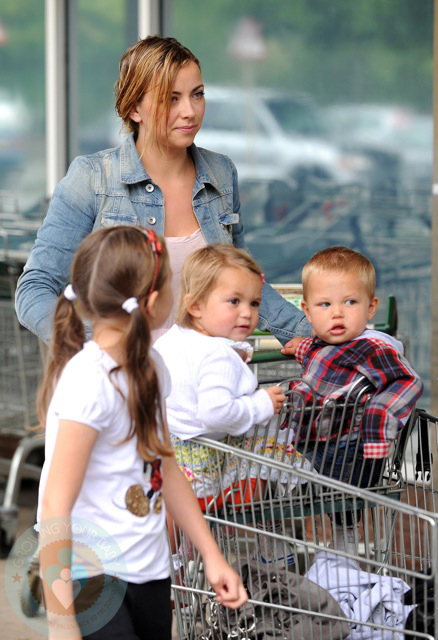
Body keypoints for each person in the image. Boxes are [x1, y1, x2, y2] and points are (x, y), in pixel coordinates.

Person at [15, 35, 311, 347]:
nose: (190, 112)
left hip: (208, 381)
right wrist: (96, 349)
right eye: (171, 99)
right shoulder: (93, 177)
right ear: (134, 109)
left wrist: (314, 333)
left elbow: (245, 282)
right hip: (126, 385)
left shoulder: (221, 173)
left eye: (197, 95)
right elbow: (35, 288)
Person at [36, 226, 247, 640]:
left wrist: (212, 555)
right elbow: (54, 506)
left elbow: (164, 466)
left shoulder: (151, 367)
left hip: (149, 571)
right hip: (92, 579)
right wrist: (61, 622)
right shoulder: (90, 382)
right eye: (171, 281)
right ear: (151, 302)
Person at [154, 244, 311, 568]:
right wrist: (261, 404)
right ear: (196, 305)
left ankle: (170, 560)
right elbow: (217, 413)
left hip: (172, 451)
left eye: (254, 303)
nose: (247, 313)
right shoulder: (218, 354)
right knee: (275, 433)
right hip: (205, 457)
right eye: (234, 302)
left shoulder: (173, 339)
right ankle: (270, 537)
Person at [283, 246, 423, 553]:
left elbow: (406, 382)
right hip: (316, 441)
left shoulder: (373, 348)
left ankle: (343, 546)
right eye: (325, 304)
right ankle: (307, 541)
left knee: (337, 499)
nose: (337, 313)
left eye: (350, 302)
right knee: (289, 489)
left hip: (350, 447)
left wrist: (378, 420)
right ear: (307, 311)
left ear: (371, 307)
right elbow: (325, 358)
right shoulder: (326, 343)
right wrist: (300, 347)